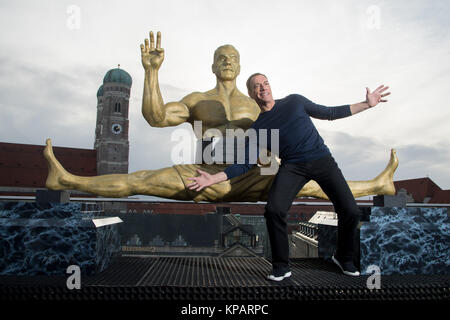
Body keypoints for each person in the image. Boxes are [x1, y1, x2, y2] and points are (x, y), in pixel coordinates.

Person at [44, 31, 397, 204]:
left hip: (255, 175)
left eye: (233, 58)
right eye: (221, 57)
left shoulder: (257, 106)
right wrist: (151, 73)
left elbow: (315, 116)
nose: (227, 61)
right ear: (213, 65)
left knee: (314, 186)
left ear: (240, 67)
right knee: (142, 179)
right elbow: (155, 117)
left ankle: (379, 185)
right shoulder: (197, 101)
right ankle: (67, 181)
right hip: (207, 175)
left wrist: (363, 105)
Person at [186, 73, 391, 279]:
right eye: (257, 86)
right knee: (274, 210)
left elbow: (329, 113)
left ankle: (344, 257)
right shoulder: (258, 128)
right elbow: (244, 164)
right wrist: (212, 179)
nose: (263, 88)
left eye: (265, 83)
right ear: (251, 93)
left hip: (322, 161)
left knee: (351, 211)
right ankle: (282, 267)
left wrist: (367, 104)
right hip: (293, 166)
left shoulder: (295, 101)